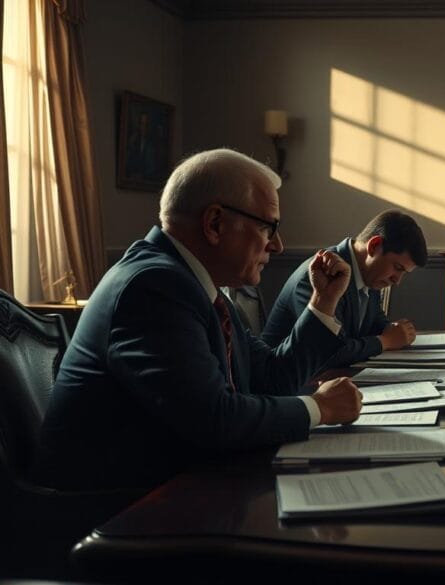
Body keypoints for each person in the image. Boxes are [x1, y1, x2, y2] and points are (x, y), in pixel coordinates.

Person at [33, 149, 363, 491]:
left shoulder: (196, 286)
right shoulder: (152, 286)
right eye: (268, 227)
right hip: (109, 512)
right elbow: (214, 420)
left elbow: (270, 379)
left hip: (173, 487)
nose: (278, 245)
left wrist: (324, 301)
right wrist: (319, 408)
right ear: (215, 223)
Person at [262, 209, 427, 367]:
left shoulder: (371, 275)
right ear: (374, 246)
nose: (397, 280)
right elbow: (329, 351)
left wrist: (396, 331)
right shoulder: (321, 275)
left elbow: (375, 324)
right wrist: (386, 341)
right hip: (286, 388)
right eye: (398, 267)